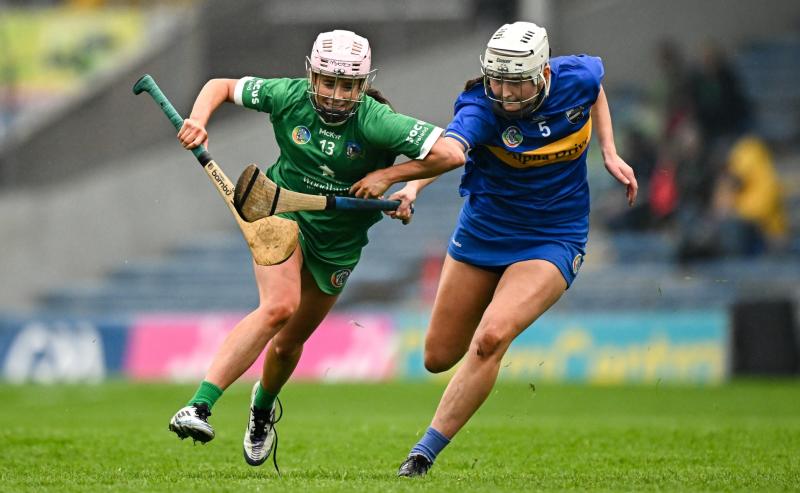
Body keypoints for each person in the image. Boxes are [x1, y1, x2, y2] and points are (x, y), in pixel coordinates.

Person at [167, 29, 464, 471]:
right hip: (280, 211)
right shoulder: (288, 97)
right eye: (328, 82)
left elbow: (452, 153)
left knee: (288, 344)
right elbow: (221, 86)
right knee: (278, 307)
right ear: (312, 75)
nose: (337, 94)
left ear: (362, 84)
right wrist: (198, 119)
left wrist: (400, 183)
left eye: (348, 85)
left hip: (339, 243)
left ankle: (262, 408)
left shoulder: (376, 121)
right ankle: (198, 406)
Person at [350, 21, 637, 477]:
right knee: (438, 357)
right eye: (496, 79)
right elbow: (448, 150)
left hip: (554, 235)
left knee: (490, 338)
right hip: (485, 232)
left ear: (543, 74)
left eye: (514, 81)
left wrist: (609, 150)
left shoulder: (575, 77)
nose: (503, 92)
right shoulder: (481, 107)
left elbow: (594, 91)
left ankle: (422, 454)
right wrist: (412, 189)